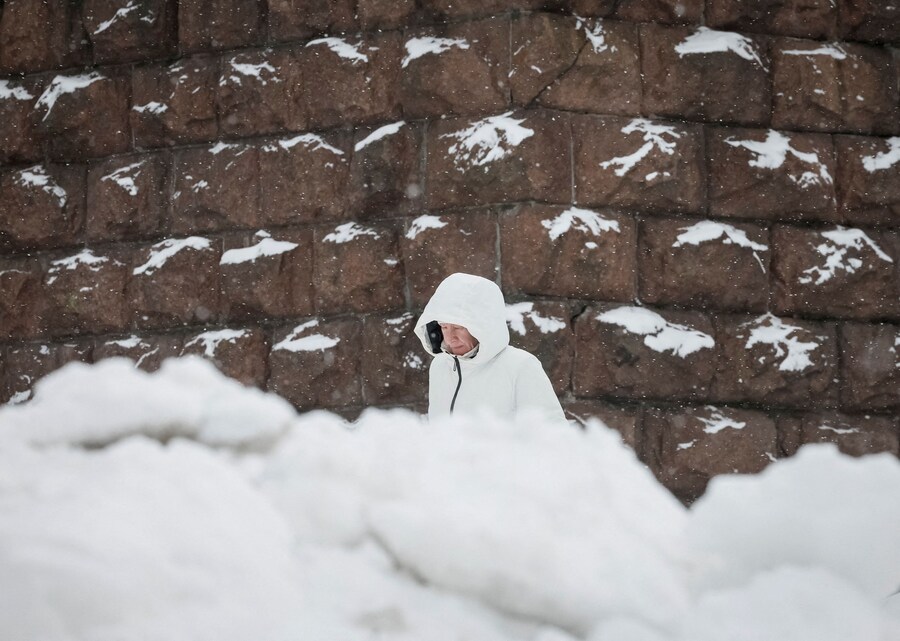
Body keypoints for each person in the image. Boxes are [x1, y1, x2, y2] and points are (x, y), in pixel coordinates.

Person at [414, 272, 567, 424]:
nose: (450, 338)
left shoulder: (520, 366)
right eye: (444, 327)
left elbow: (552, 433)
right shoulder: (440, 366)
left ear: (482, 326)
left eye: (459, 327)